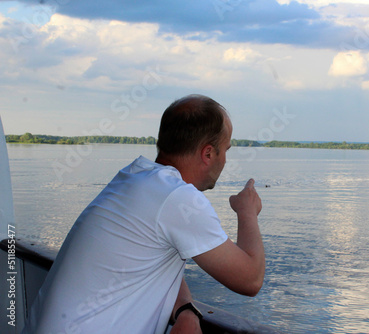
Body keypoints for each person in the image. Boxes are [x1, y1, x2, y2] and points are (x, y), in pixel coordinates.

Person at [22, 94, 265, 334]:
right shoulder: (178, 197)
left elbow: (149, 258)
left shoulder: (133, 178)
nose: (225, 160)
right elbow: (250, 280)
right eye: (226, 150)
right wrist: (247, 212)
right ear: (208, 153)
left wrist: (185, 310)